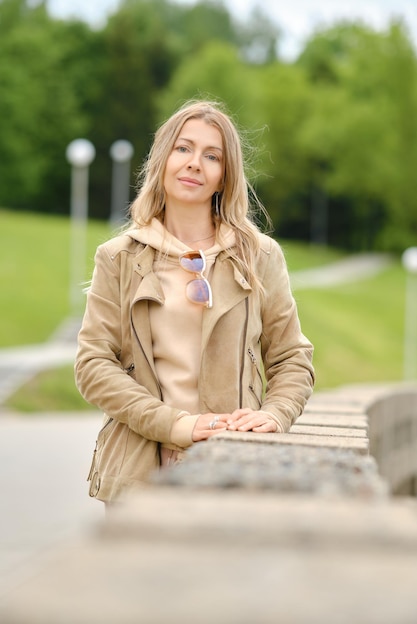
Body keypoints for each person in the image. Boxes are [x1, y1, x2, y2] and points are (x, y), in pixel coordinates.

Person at [75, 99, 315, 504]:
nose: (194, 164)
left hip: (236, 468)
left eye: (211, 156)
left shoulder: (260, 256)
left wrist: (275, 414)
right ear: (163, 160)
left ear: (224, 176)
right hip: (140, 473)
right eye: (183, 149)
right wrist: (176, 425)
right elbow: (93, 365)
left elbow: (292, 358)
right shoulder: (118, 258)